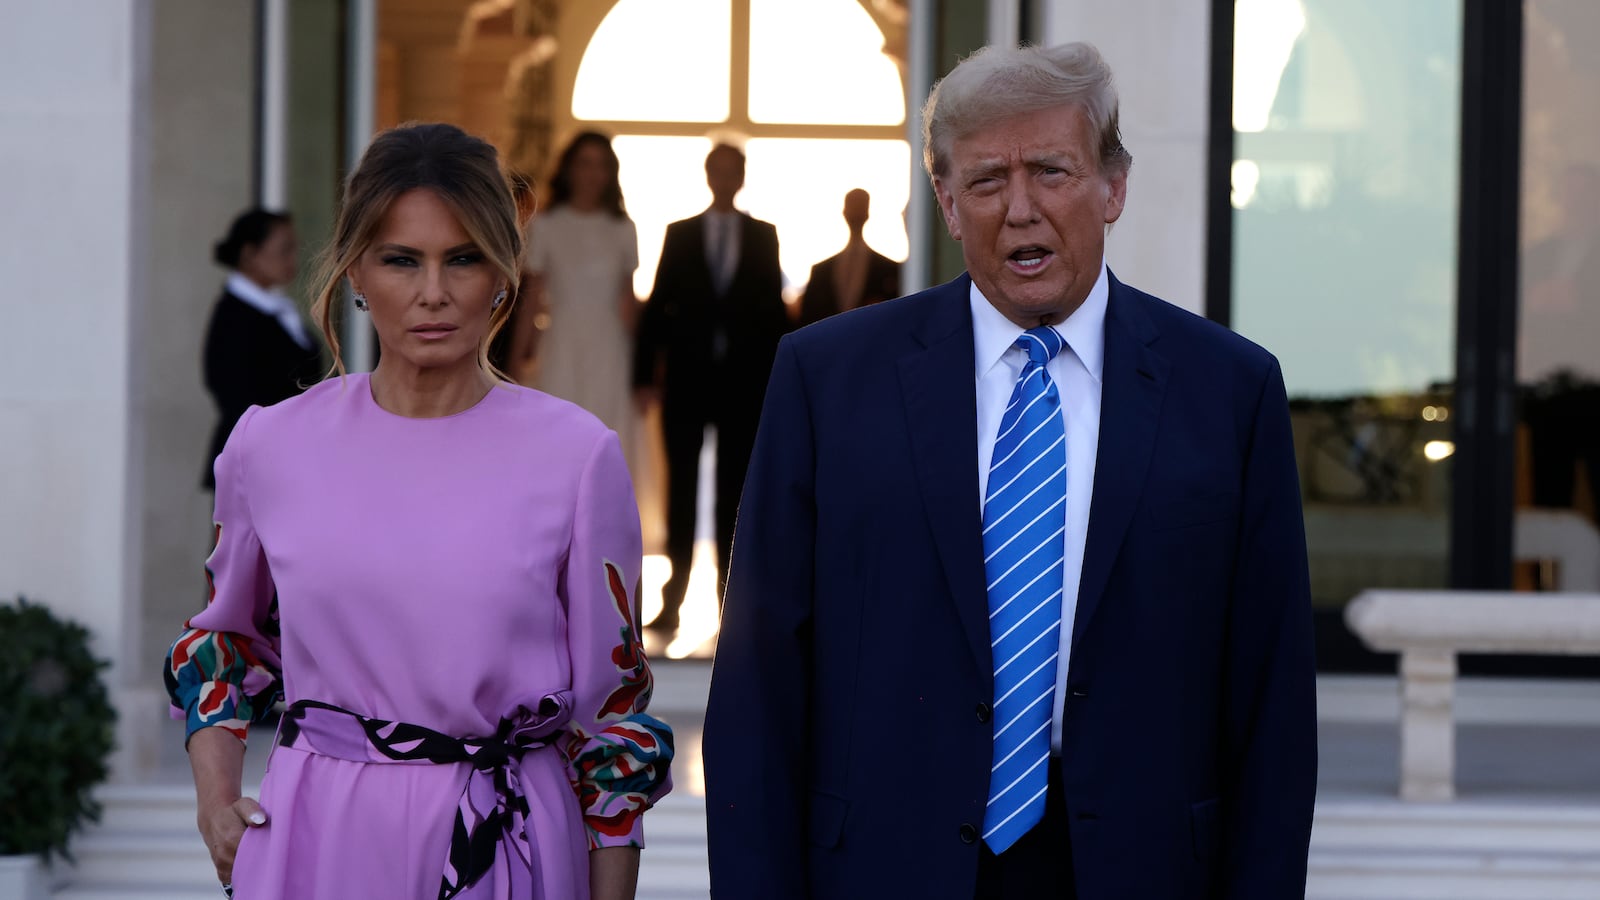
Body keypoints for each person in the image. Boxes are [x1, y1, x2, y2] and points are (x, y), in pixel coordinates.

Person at [703, 42, 1316, 899]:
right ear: (948, 205)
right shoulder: (826, 380)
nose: (1020, 209)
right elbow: (757, 690)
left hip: (1144, 868)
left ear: (1114, 187)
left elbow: (1272, 702)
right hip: (884, 866)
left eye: (1053, 172)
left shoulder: (1231, 392)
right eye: (987, 181)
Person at [164, 122, 673, 900]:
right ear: (357, 272)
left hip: (515, 842)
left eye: (462, 258)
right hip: (318, 838)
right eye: (402, 260)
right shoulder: (271, 445)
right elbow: (222, 648)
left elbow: (613, 727)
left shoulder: (578, 456)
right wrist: (214, 803)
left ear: (503, 273)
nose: (433, 292)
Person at [632, 142, 788, 633]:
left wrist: (778, 384)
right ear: (707, 175)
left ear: (741, 177)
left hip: (743, 384)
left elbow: (773, 315)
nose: (724, 177)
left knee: (735, 495)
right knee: (681, 491)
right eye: (717, 169)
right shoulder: (680, 234)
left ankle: (731, 603)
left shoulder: (764, 236)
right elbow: (658, 306)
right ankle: (673, 601)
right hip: (686, 380)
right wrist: (642, 377)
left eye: (732, 170)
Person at [511, 132, 643, 474]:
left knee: (606, 431)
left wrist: (645, 367)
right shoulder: (547, 225)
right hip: (561, 345)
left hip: (611, 348)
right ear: (569, 168)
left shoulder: (623, 228)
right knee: (559, 436)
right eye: (584, 163)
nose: (592, 173)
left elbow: (628, 299)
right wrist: (514, 361)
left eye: (600, 165)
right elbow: (532, 300)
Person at [201, 209, 321, 489]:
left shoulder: (276, 308)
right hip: (254, 463)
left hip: (288, 457)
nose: (293, 259)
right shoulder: (235, 315)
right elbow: (232, 392)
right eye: (284, 250)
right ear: (250, 254)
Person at [797, 188, 903, 326]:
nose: (856, 212)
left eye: (860, 206)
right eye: (853, 206)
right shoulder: (820, 271)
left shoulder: (890, 269)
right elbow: (807, 319)